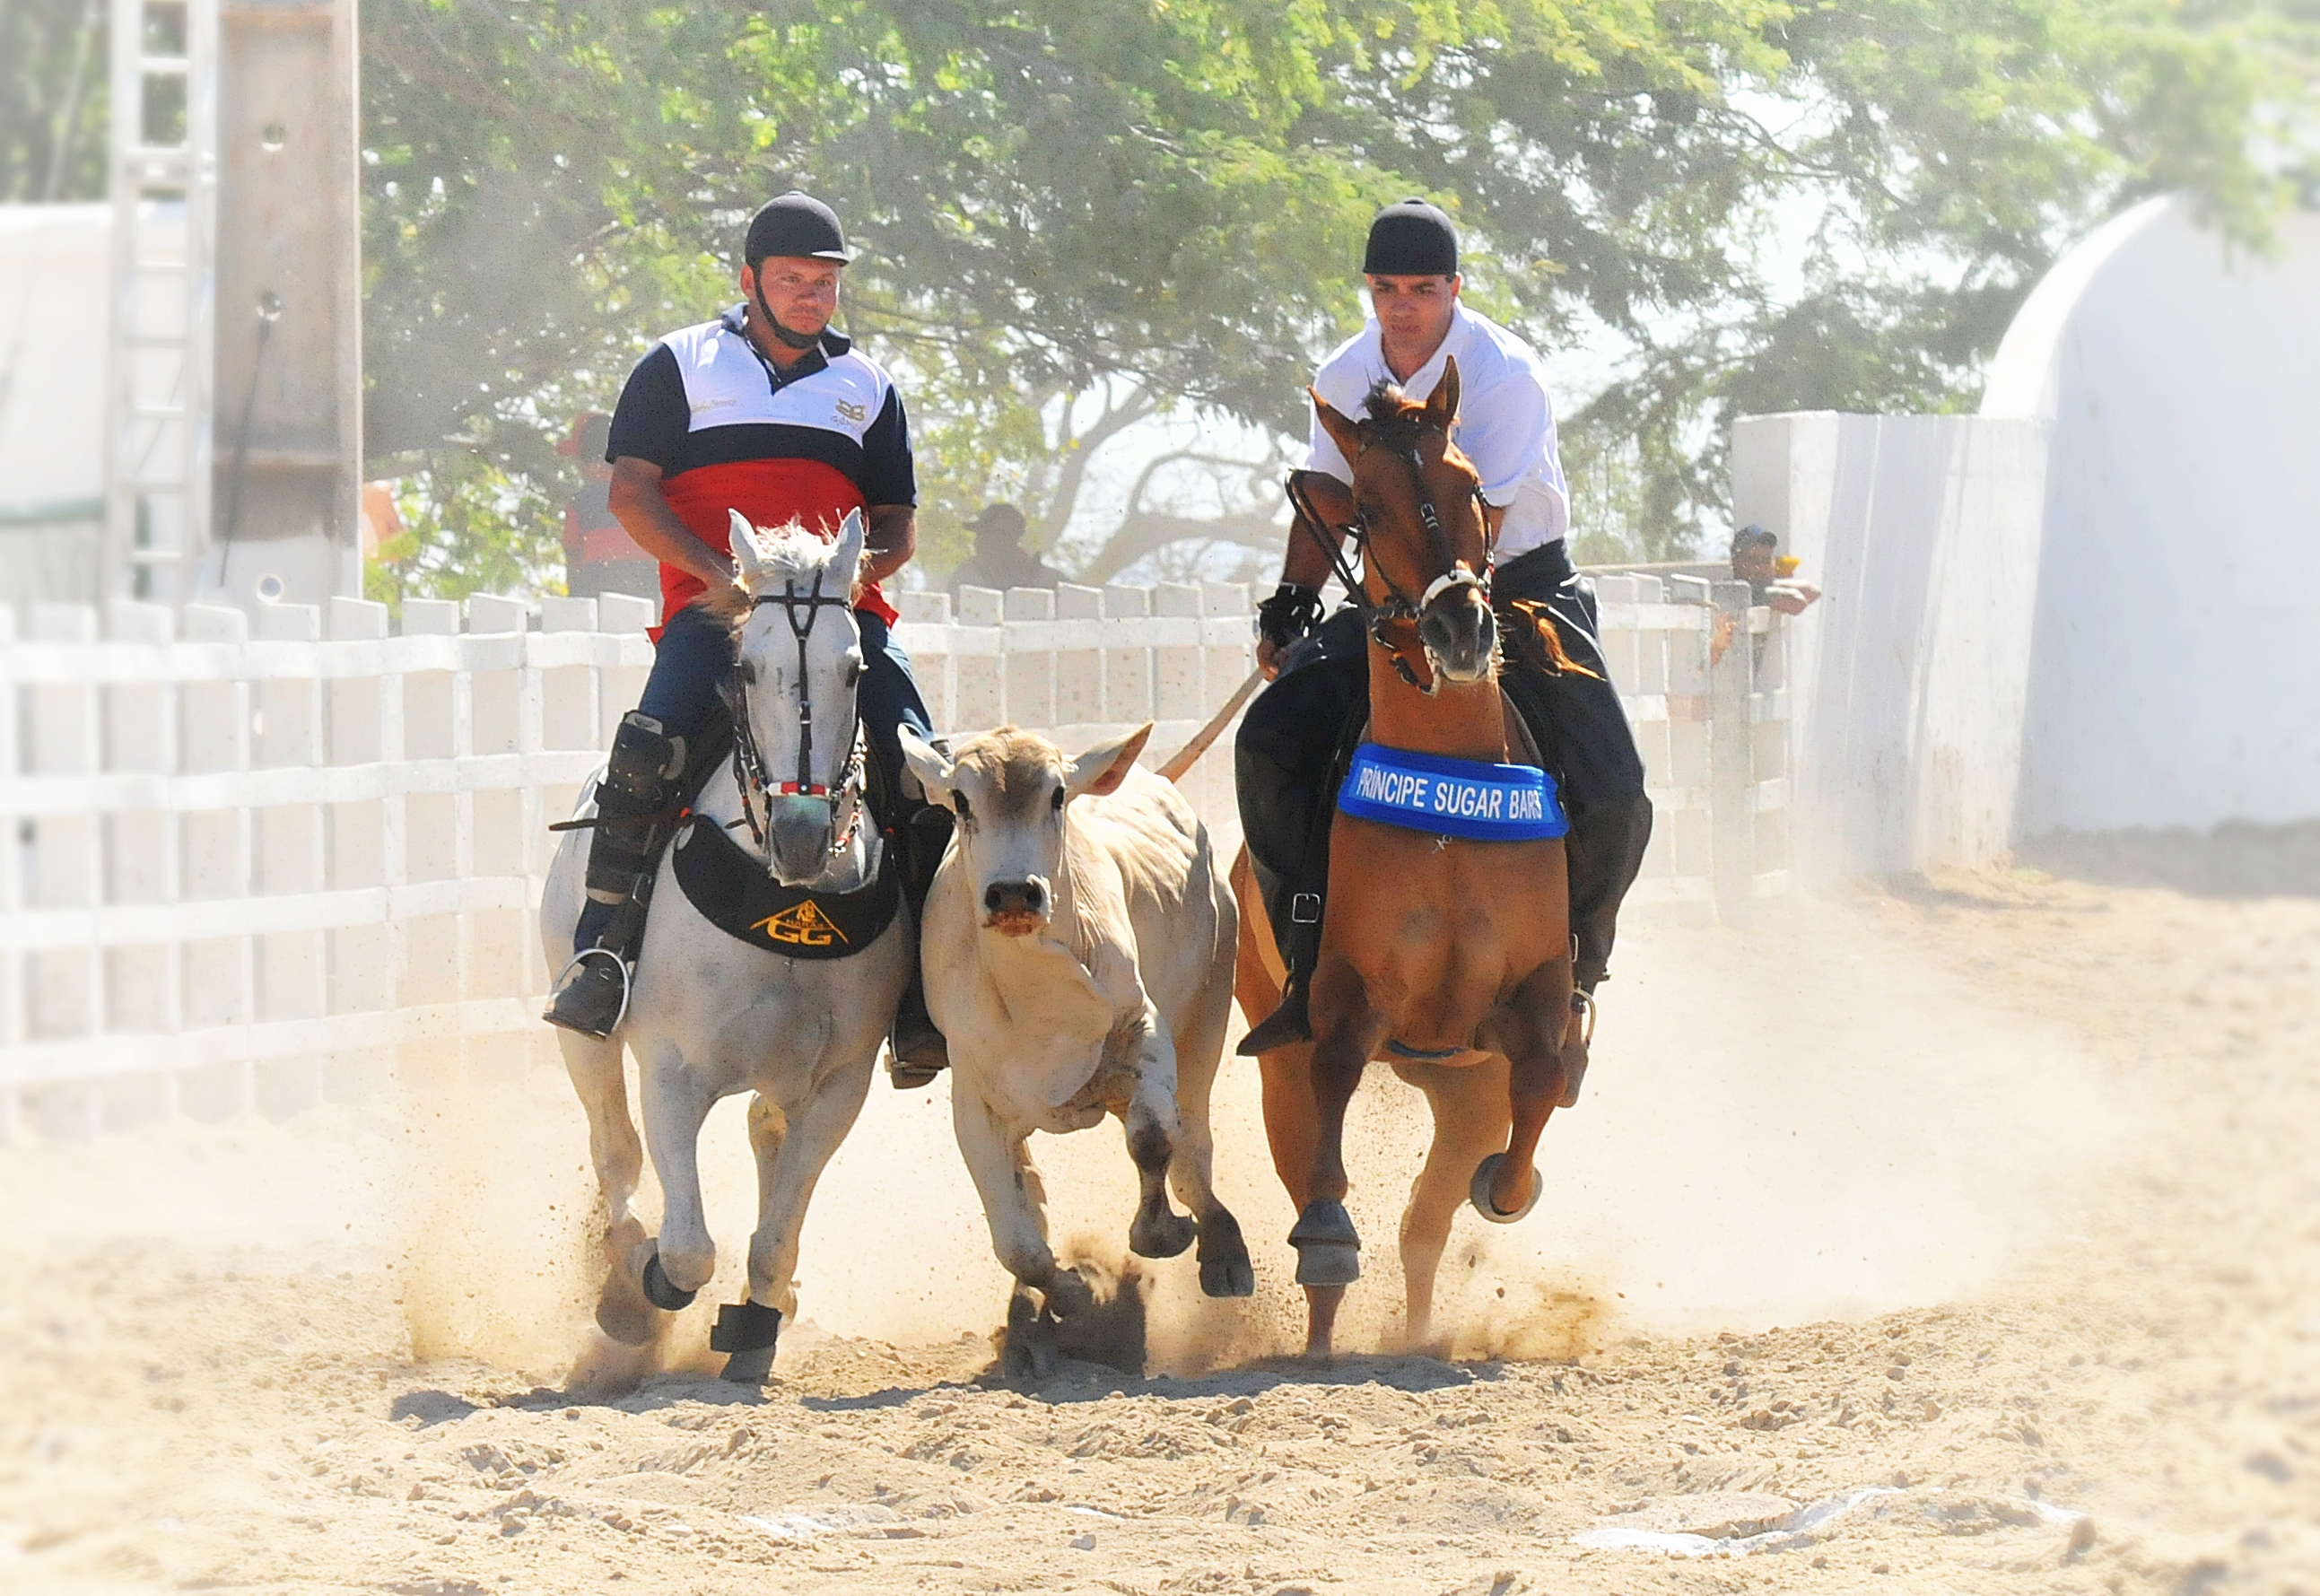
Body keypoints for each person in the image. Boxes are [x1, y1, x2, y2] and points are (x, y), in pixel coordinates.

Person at [1234, 197, 1654, 1090]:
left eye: (1422, 289)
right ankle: (1306, 962)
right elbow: (1326, 492)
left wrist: (1421, 594)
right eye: (1386, 288)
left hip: (1518, 581)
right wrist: (1290, 604)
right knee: (1268, 742)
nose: (1402, 306)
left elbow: (1477, 523)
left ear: (1455, 290)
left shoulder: (1502, 375)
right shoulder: (1344, 373)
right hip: (1399, 589)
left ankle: (1574, 977)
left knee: (1617, 786)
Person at [542, 191, 951, 1086]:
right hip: (713, 609)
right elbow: (631, 494)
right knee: (649, 750)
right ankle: (603, 954)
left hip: (842, 619)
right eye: (794, 281)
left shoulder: (868, 386)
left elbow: (898, 525)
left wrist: (843, 583)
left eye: (825, 283)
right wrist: (719, 578)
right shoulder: (677, 365)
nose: (811, 297)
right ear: (751, 282)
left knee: (925, 768)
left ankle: (924, 993)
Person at [557, 414, 658, 602]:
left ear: (584, 461)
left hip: (597, 589)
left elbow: (572, 554)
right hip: (648, 587)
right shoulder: (648, 493)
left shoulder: (578, 502)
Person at [946, 502, 1068, 594]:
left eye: (988, 536)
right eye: (979, 535)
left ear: (1010, 539)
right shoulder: (966, 576)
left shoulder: (1052, 582)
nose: (977, 543)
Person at [1730, 524, 1821, 615]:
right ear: (1735, 563)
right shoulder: (1731, 592)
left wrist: (1769, 582)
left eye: (1766, 561)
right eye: (1755, 561)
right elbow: (1796, 602)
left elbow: (1812, 591)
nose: (1762, 567)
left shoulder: (1761, 587)